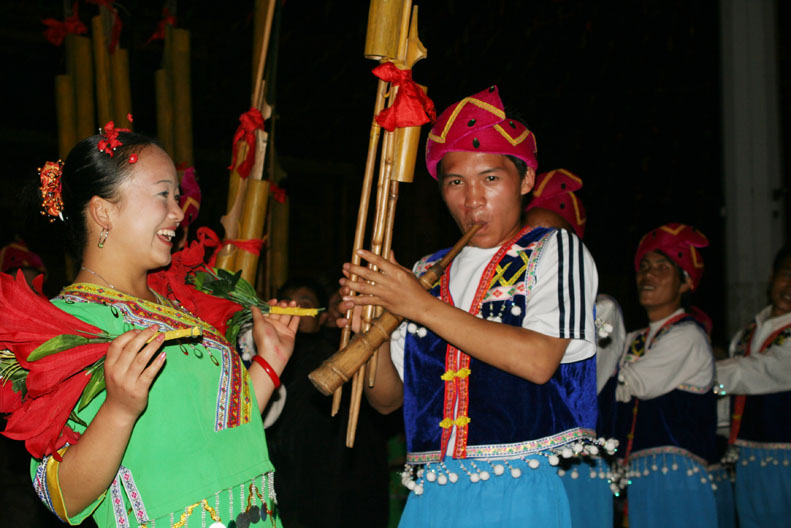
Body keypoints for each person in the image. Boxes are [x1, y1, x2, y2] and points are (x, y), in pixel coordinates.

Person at [339, 86, 600, 527]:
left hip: (519, 488)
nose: (472, 199)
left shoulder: (554, 249)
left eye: (491, 178)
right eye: (455, 182)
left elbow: (538, 361)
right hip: (431, 494)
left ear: (528, 181)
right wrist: (372, 330)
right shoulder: (426, 270)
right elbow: (387, 401)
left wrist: (417, 306)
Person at [18, 129, 299, 527]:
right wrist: (118, 410)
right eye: (162, 194)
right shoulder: (63, 326)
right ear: (104, 212)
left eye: (176, 197)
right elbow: (60, 496)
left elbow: (217, 431)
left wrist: (270, 363)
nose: (178, 212)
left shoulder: (179, 306)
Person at [599, 223, 717, 528]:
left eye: (662, 268)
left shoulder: (688, 335)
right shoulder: (633, 338)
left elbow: (630, 383)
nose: (648, 275)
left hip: (675, 477)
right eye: (645, 267)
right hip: (636, 475)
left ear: (686, 282)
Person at [525, 169, 623, 527]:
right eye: (530, 238)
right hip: (523, 459)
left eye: (551, 239)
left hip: (574, 460)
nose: (539, 249)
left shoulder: (601, 309)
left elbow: (583, 385)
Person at [715, 244, 791, 528]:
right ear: (773, 276)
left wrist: (699, 373)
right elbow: (729, 394)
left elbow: (759, 371)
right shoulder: (749, 330)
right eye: (787, 274)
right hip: (746, 458)